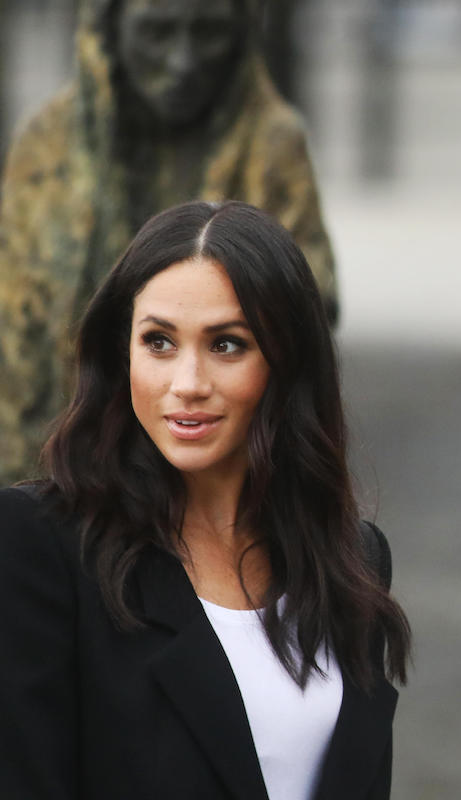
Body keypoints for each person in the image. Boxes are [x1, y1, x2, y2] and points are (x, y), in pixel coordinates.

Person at [0, 201, 409, 800]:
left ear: (285, 363)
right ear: (123, 353)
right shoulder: (42, 543)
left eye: (226, 345)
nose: (187, 383)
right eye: (159, 342)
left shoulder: (353, 559)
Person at [0, 0, 337, 485]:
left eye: (209, 33)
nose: (182, 61)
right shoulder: (47, 145)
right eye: (157, 33)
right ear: (110, 28)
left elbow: (305, 317)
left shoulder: (272, 145)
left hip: (222, 474)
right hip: (65, 463)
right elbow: (17, 337)